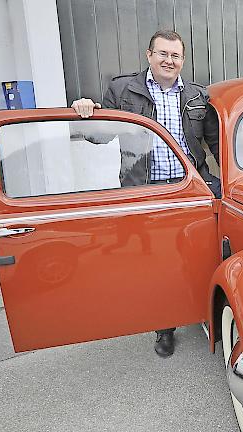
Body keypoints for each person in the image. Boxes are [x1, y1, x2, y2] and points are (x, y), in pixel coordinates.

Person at [72, 30, 220, 358]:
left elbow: (215, 144)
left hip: (190, 189)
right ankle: (164, 326)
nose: (170, 60)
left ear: (183, 60)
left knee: (200, 254)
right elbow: (100, 137)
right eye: (163, 54)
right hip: (147, 192)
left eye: (176, 55)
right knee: (157, 263)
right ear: (149, 55)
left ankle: (204, 310)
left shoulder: (197, 95)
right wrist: (88, 112)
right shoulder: (123, 90)